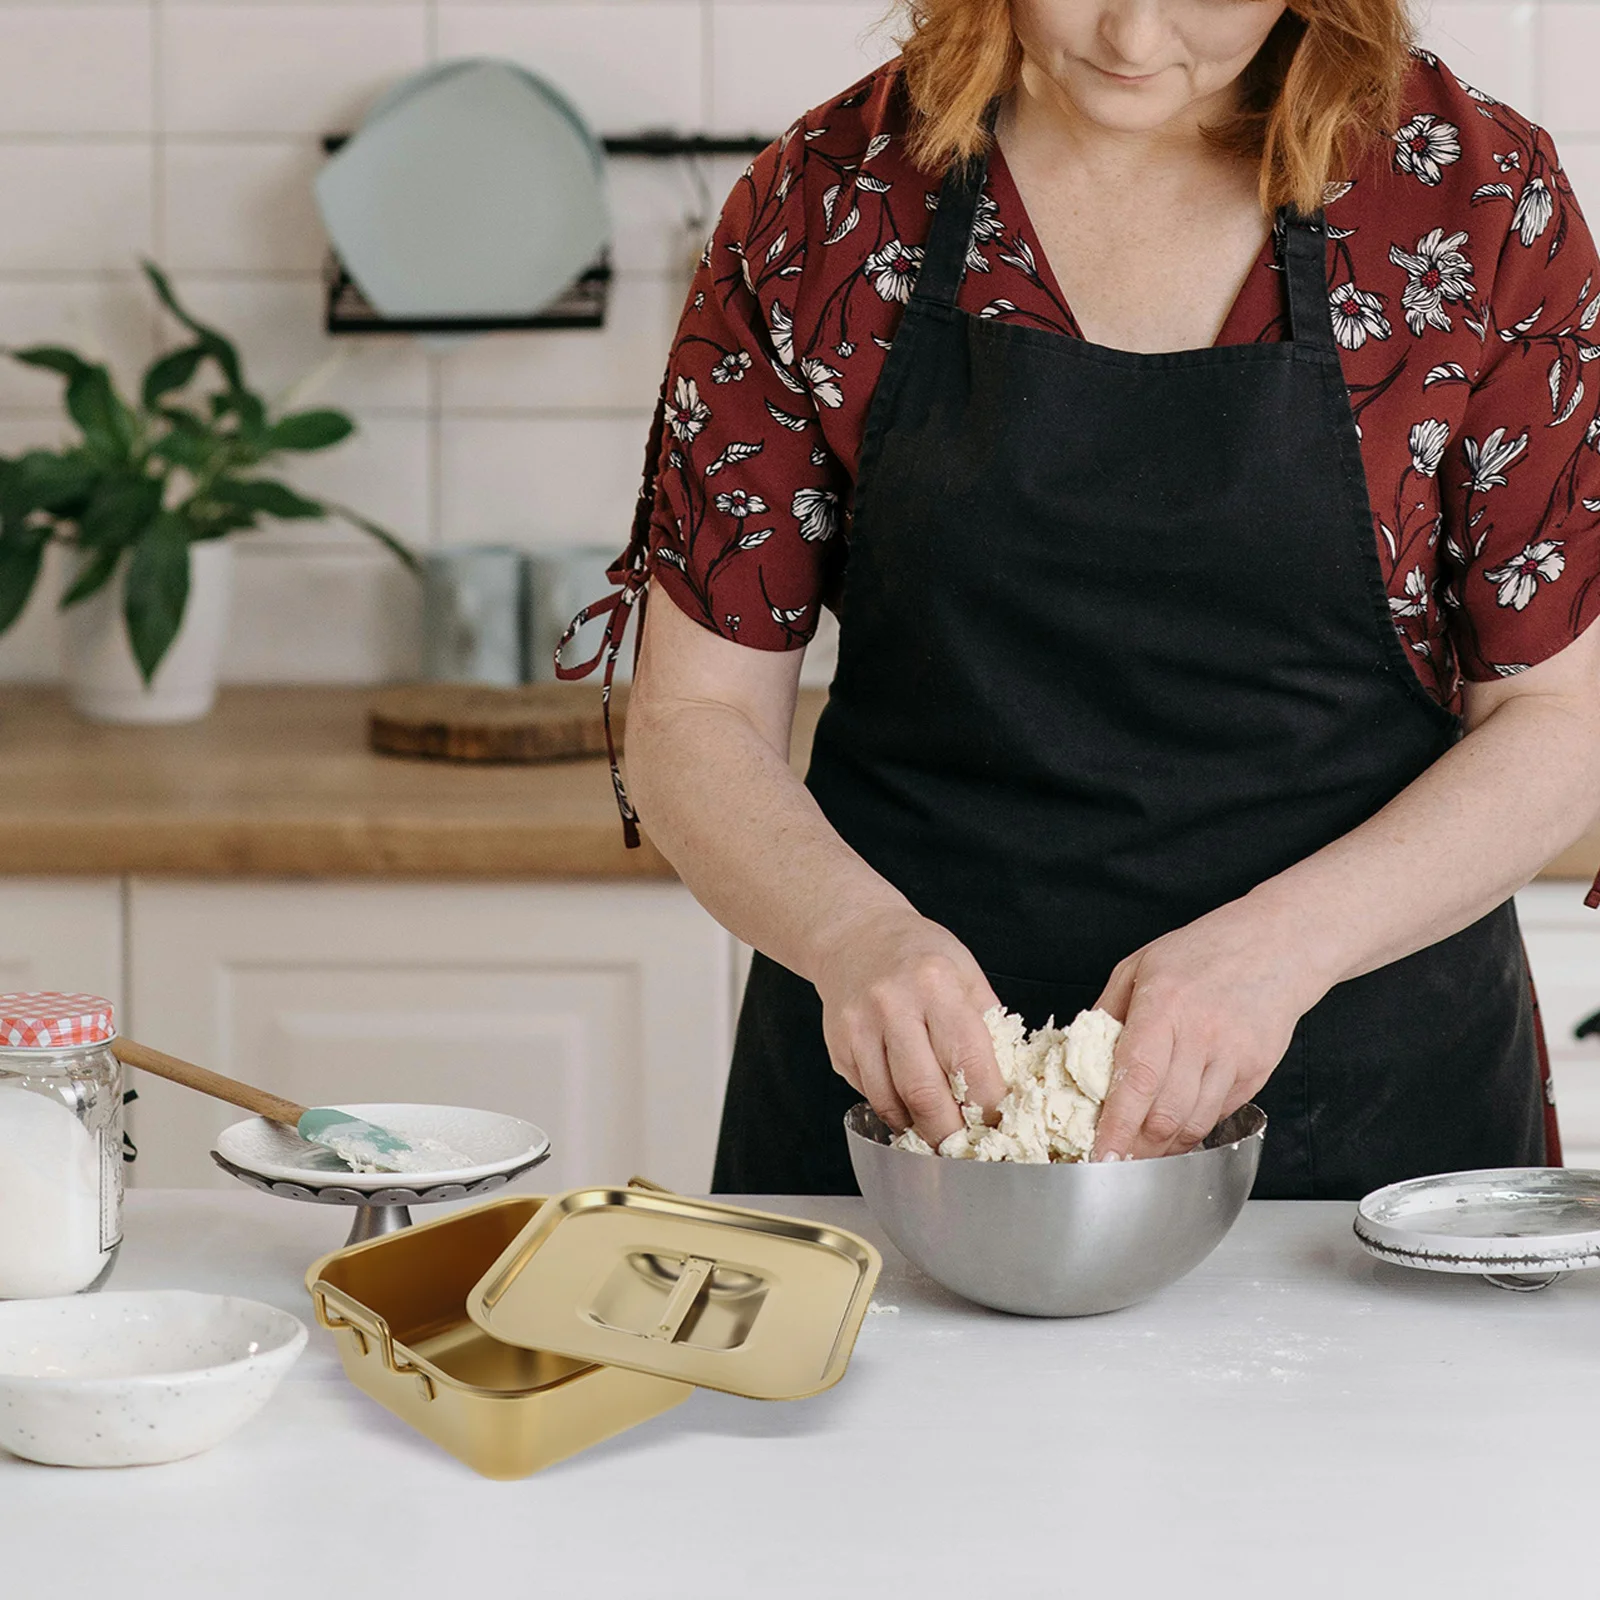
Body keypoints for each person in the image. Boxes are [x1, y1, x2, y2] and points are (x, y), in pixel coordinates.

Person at [560, 0, 1600, 1198]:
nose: (1132, 35)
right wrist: (849, 939)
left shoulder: (1470, 200)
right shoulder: (827, 203)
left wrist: (1276, 953)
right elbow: (696, 719)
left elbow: (1555, 718)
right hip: (914, 1117)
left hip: (1370, 1111)